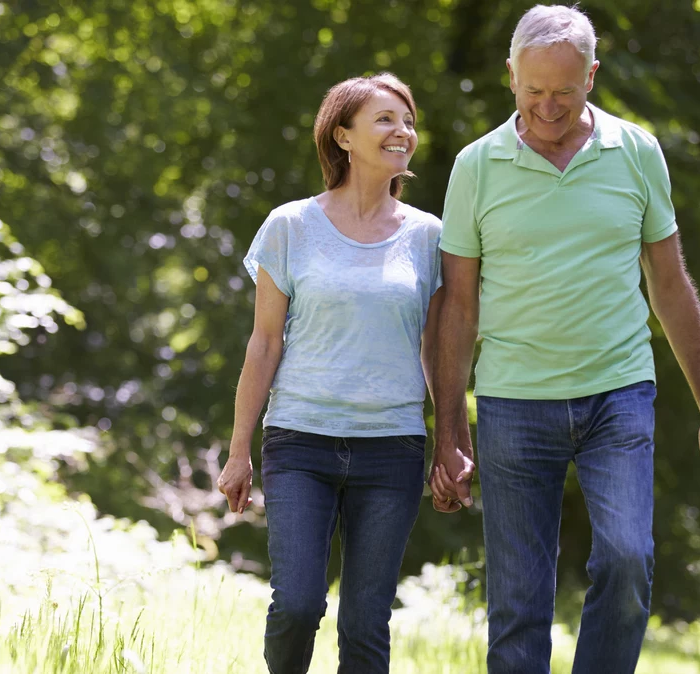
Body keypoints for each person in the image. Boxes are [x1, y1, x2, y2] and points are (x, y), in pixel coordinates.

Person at [428, 5, 700, 674]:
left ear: (592, 77)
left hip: (618, 395)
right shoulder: (476, 167)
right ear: (510, 76)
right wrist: (450, 431)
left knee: (628, 561)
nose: (546, 108)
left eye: (563, 94)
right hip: (514, 401)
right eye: (533, 91)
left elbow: (670, 284)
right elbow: (457, 307)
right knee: (518, 605)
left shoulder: (634, 152)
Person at [215, 72, 444, 674]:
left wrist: (451, 441)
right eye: (385, 120)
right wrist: (239, 450)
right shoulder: (290, 227)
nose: (403, 132)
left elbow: (437, 349)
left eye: (407, 120)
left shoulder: (428, 237)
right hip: (300, 440)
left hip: (392, 448)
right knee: (296, 604)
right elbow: (264, 344)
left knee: (366, 623)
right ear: (342, 136)